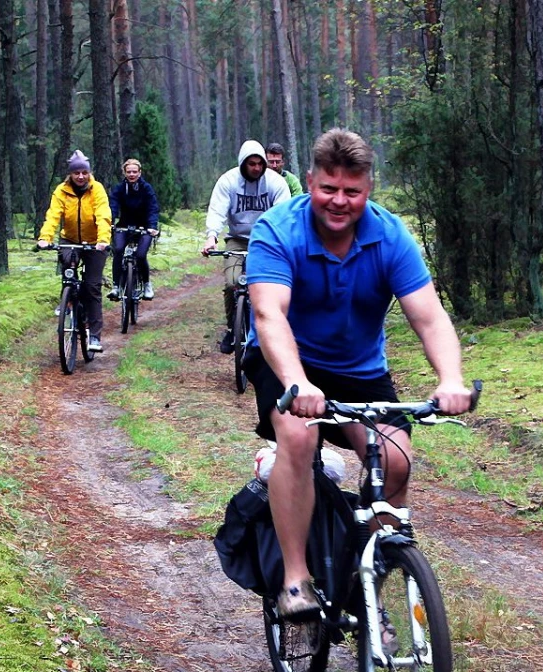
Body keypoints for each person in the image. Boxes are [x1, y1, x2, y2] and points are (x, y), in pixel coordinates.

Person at [245, 128, 472, 618]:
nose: (339, 201)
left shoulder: (389, 236)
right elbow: (270, 316)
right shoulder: (278, 230)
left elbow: (429, 317)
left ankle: (367, 591)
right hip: (286, 360)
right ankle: (295, 580)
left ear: (369, 189)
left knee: (394, 460)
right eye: (329, 188)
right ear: (310, 182)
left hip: (359, 367)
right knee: (300, 440)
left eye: (352, 191)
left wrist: (450, 378)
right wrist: (297, 382)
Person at [201, 140, 291, 352]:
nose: (257, 168)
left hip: (266, 241)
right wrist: (211, 236)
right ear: (243, 163)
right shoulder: (228, 181)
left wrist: (281, 241)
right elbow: (217, 210)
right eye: (252, 164)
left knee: (265, 287)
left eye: (260, 164)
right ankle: (233, 329)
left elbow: (283, 213)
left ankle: (267, 330)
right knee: (233, 282)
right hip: (237, 238)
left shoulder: (275, 182)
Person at [38, 150, 112, 352]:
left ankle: (94, 336)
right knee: (68, 272)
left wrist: (104, 239)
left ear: (89, 173)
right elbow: (53, 215)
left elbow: (103, 214)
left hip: (96, 242)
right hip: (70, 239)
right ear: (70, 174)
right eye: (76, 173)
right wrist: (45, 238)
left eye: (84, 173)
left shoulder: (97, 189)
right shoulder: (61, 191)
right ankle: (68, 300)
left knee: (92, 286)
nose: (80, 176)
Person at [108, 158, 160, 303]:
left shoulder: (146, 188)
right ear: (124, 173)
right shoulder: (119, 188)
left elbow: (153, 208)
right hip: (124, 225)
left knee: (141, 255)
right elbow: (113, 205)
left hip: (144, 227)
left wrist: (152, 226)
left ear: (139, 172)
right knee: (118, 250)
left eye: (134, 172)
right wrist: (110, 222)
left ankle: (146, 285)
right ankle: (116, 286)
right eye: (129, 171)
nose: (131, 174)